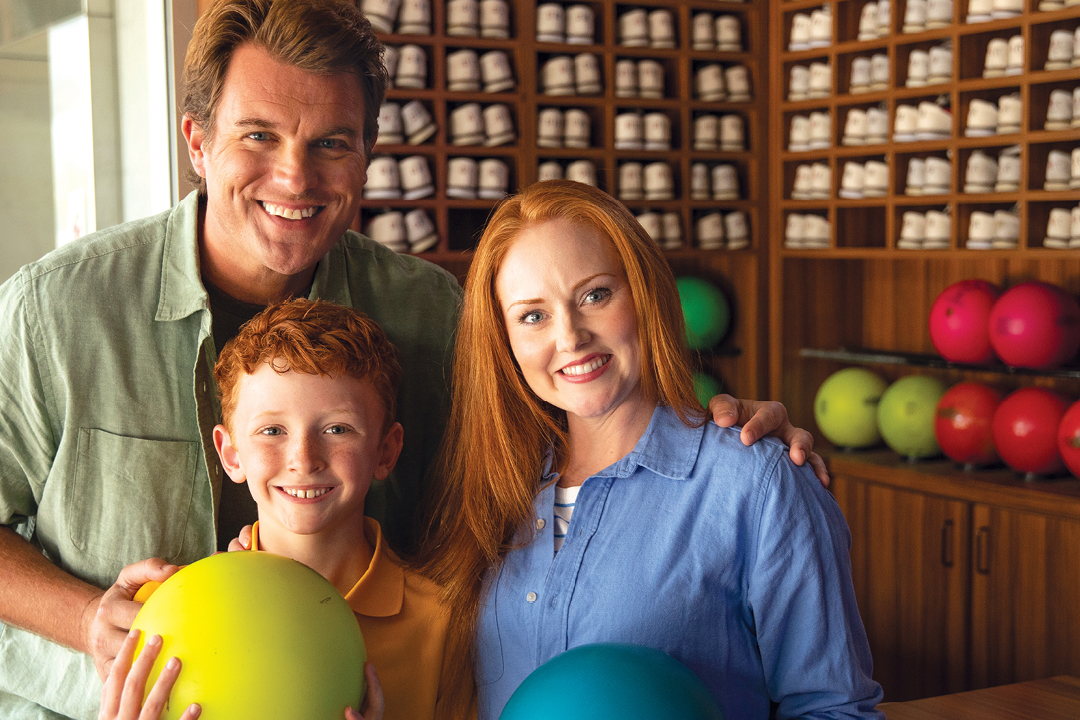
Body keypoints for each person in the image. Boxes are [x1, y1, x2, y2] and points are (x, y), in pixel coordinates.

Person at [0, 1, 818, 717]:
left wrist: (721, 441)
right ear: (198, 142)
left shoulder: (433, 314)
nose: (295, 174)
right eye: (259, 135)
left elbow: (566, 434)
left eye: (331, 142)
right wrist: (84, 620)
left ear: (367, 156)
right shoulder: (59, 309)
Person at [418, 181, 884, 720]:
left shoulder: (757, 482)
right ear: (504, 341)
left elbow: (835, 710)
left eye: (595, 295)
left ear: (644, 294)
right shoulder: (499, 490)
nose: (570, 338)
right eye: (532, 315)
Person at [99, 298, 451, 720]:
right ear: (230, 455)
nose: (303, 459)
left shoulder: (443, 622)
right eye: (272, 430)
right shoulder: (170, 616)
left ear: (386, 450)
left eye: (337, 429)